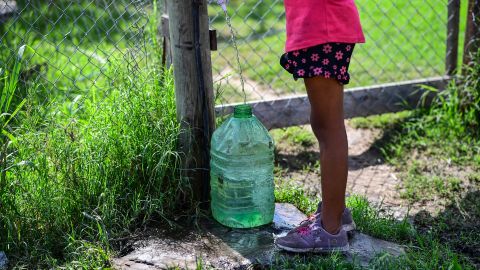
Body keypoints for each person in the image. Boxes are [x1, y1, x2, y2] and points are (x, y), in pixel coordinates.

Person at [274, 0, 365, 253]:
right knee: (323, 124)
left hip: (322, 28)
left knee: (329, 129)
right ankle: (336, 214)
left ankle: (329, 230)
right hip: (320, 26)